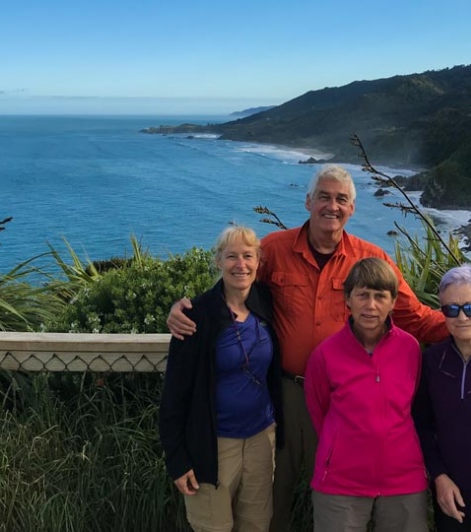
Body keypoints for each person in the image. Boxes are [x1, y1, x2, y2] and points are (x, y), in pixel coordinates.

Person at [167, 164, 448, 530]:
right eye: (324, 197)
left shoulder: (371, 259)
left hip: (341, 401)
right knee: (271, 497)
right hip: (280, 397)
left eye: (341, 200)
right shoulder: (275, 249)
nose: (332, 206)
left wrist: (463, 324)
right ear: (308, 202)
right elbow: (233, 288)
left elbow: (417, 317)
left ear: (351, 209)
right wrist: (183, 309)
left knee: (338, 494)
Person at [159, 225, 283, 532]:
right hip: (213, 446)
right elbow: (174, 395)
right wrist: (177, 460)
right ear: (218, 262)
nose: (240, 264)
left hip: (260, 439)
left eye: (247, 256)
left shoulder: (266, 302)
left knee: (256, 525)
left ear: (258, 262)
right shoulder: (196, 316)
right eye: (231, 257)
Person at [305, 257, 428, 532]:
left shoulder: (410, 349)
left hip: (404, 481)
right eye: (362, 295)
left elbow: (414, 405)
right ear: (348, 299)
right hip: (340, 482)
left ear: (393, 301)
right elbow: (319, 411)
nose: (370, 306)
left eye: (380, 297)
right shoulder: (325, 355)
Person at [413, 264, 471, 531]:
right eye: (452, 309)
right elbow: (422, 426)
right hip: (452, 494)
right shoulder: (432, 362)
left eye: (469, 307)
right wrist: (439, 476)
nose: (461, 317)